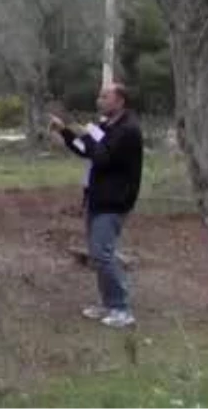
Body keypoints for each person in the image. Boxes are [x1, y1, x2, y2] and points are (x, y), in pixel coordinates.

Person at [50, 83, 143, 329]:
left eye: (105, 96)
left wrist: (87, 136)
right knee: (97, 254)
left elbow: (101, 156)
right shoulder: (106, 126)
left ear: (120, 101)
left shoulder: (127, 130)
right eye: (99, 96)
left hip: (114, 201)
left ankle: (122, 308)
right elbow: (85, 149)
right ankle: (107, 303)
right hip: (97, 198)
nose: (99, 100)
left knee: (103, 253)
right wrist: (66, 133)